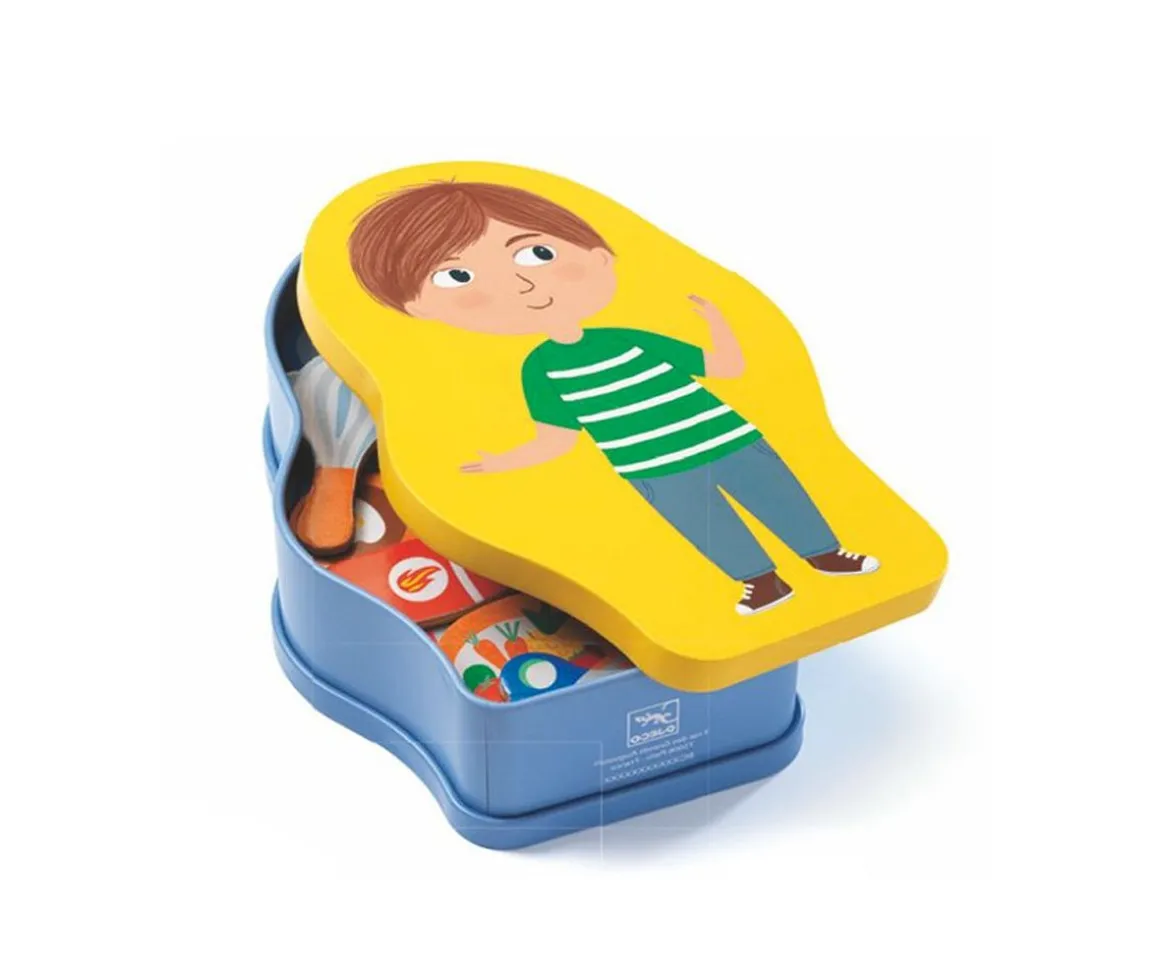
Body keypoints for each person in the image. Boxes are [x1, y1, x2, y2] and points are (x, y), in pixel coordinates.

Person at [348, 181, 878, 614]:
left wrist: (718, 321)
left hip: (729, 439)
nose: (520, 286)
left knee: (777, 494)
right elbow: (557, 438)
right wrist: (499, 462)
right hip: (654, 467)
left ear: (599, 258)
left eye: (536, 253)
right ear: (420, 310)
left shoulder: (628, 338)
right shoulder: (541, 369)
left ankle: (826, 554)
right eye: (456, 276)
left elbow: (723, 369)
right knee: (708, 529)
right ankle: (761, 583)